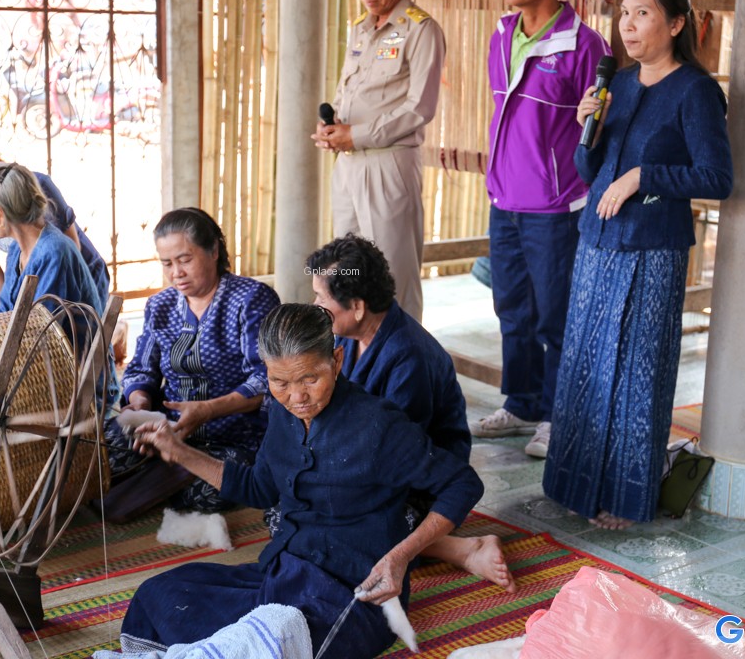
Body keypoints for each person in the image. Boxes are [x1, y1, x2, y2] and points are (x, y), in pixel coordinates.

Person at [118, 304, 484, 656]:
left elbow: (463, 484)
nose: (297, 397)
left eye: (311, 378)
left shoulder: (378, 426)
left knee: (274, 640)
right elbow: (259, 488)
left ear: (336, 361)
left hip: (354, 595)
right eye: (279, 381)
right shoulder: (284, 413)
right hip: (285, 578)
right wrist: (179, 451)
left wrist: (400, 557)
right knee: (158, 595)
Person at [542, 0, 733, 530]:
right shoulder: (618, 84)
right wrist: (588, 130)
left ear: (675, 24)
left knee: (635, 376)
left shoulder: (695, 92)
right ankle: (575, 486)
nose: (628, 24)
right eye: (624, 13)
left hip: (652, 251)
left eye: (643, 12)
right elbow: (590, 172)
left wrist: (644, 176)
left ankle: (627, 498)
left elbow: (717, 177)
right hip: (597, 244)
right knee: (585, 367)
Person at [470, 0, 611, 460]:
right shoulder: (502, 34)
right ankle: (523, 403)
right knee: (511, 309)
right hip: (504, 199)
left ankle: (557, 415)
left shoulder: (585, 46)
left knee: (556, 316)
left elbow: (599, 131)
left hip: (556, 206)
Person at [306, 234, 514, 592]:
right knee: (295, 504)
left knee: (321, 518)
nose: (315, 305)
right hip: (366, 459)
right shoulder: (345, 337)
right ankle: (456, 549)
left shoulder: (409, 356)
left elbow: (396, 453)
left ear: (357, 306)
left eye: (321, 299)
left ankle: (464, 550)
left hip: (418, 479)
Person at [105, 207, 280, 521]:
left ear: (213, 251)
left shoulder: (251, 300)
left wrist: (207, 410)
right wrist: (141, 407)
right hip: (168, 426)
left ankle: (165, 470)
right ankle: (165, 467)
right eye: (167, 263)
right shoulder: (159, 305)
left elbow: (266, 379)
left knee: (214, 491)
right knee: (102, 446)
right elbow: (141, 369)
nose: (176, 273)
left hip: (234, 436)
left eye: (185, 259)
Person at [311, 0, 446, 323]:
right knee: (347, 272)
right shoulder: (360, 28)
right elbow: (348, 89)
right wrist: (333, 126)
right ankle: (355, 352)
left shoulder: (421, 29)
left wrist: (357, 135)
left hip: (389, 164)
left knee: (393, 275)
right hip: (349, 165)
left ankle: (404, 356)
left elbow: (419, 108)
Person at [0, 123, 109, 309]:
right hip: (43, 287)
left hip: (78, 280)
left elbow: (69, 252)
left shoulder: (53, 244)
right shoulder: (16, 251)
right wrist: (4, 322)